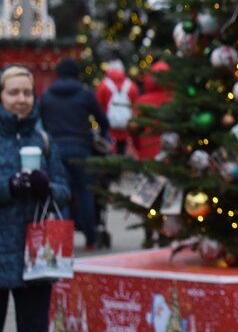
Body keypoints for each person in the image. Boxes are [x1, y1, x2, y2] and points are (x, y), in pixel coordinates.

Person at [0, 66, 70, 332]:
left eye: (27, 93)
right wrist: (10, 187)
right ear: (1, 97)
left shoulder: (44, 140)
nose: (21, 99)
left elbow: (65, 191)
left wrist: (47, 188)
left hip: (37, 256)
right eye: (13, 92)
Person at [39, 58, 110, 250]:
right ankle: (90, 238)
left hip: (55, 150)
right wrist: (103, 137)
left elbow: (41, 124)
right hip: (81, 148)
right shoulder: (85, 94)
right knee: (85, 193)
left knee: (62, 195)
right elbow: (103, 120)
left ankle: (63, 241)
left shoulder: (47, 96)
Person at [95, 59, 139, 156]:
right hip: (127, 131)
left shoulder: (103, 86)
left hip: (109, 132)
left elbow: (98, 108)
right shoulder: (131, 86)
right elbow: (136, 108)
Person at [130, 60, 171, 160]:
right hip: (172, 157)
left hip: (147, 154)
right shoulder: (176, 99)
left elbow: (134, 131)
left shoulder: (142, 102)